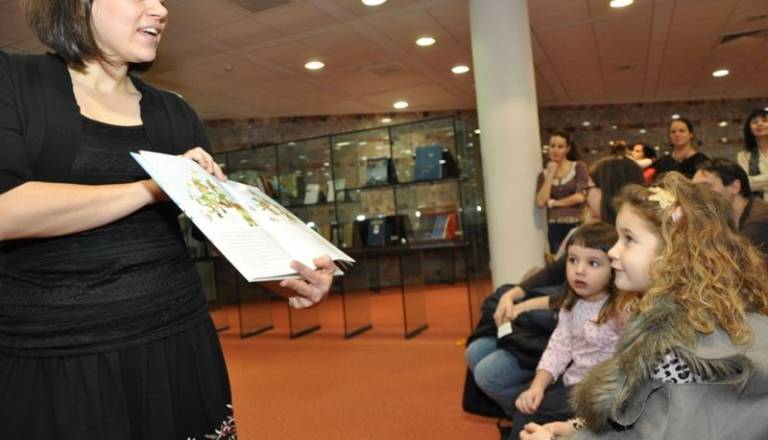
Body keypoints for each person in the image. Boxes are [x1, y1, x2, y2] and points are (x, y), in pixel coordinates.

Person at [0, 1, 334, 438]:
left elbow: (217, 229)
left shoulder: (175, 113)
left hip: (179, 342)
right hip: (53, 358)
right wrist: (152, 188)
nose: (159, 9)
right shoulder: (13, 80)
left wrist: (286, 276)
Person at [520, 172, 768, 439]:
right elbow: (641, 416)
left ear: (673, 252)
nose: (613, 251)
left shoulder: (679, 348)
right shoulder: (711, 314)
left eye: (628, 239)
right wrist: (577, 428)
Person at [464, 158, 643, 420]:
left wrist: (524, 305)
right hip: (564, 338)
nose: (584, 194)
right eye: (574, 261)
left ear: (609, 189)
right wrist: (516, 294)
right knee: (477, 349)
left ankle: (524, 414)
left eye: (589, 187)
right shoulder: (587, 237)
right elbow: (559, 280)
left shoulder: (623, 264)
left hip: (592, 379)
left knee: (490, 374)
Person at [511, 222, 621, 435]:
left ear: (614, 268)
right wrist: (537, 386)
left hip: (598, 395)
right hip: (572, 383)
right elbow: (558, 348)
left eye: (593, 263)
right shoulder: (573, 304)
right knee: (525, 399)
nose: (579, 270)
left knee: (526, 414)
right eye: (573, 260)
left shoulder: (619, 310)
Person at [693, 158, 768, 257]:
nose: (697, 194)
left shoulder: (758, 223)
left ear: (735, 187)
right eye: (694, 188)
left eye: (705, 187)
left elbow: (735, 262)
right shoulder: (725, 213)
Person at [536, 131, 590, 254]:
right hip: (554, 227)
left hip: (576, 224)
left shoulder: (579, 167)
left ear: (567, 149)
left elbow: (579, 197)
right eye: (552, 146)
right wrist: (550, 174)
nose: (555, 150)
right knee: (558, 261)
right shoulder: (543, 175)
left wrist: (553, 203)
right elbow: (540, 202)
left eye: (560, 147)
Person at [736, 108, 768, 200]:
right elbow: (745, 183)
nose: (759, 124)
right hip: (759, 206)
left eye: (765, 121)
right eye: (755, 122)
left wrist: (757, 182)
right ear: (749, 128)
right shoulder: (743, 156)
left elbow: (752, 183)